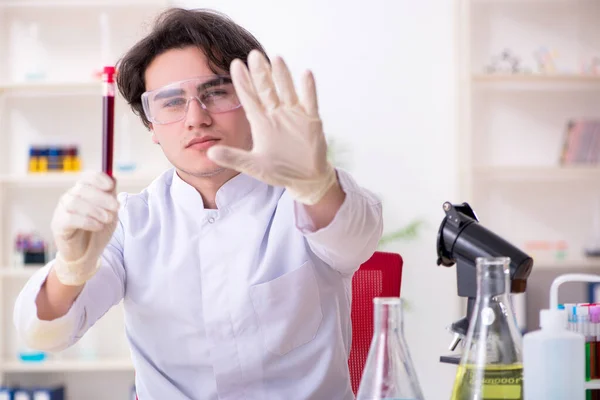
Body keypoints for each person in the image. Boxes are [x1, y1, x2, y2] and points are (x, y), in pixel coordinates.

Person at [13, 7, 383, 400]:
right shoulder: (128, 222)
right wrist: (71, 269)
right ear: (151, 127)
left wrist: (316, 184)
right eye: (171, 102)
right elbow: (45, 332)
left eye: (216, 92)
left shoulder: (306, 197)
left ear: (253, 101)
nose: (196, 118)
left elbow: (357, 238)